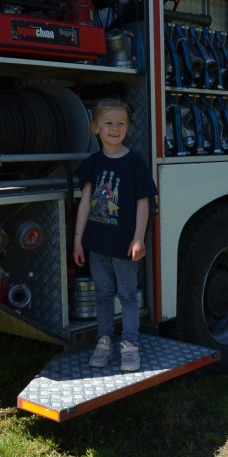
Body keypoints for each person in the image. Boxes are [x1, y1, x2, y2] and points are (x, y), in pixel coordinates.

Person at [73, 99, 158, 371]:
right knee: (103, 294)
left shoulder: (135, 163)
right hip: (97, 246)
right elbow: (85, 204)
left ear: (128, 128)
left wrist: (138, 238)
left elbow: (143, 202)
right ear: (95, 128)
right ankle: (104, 342)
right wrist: (78, 241)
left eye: (121, 123)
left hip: (124, 247)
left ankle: (130, 345)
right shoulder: (92, 164)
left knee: (128, 296)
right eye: (108, 123)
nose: (115, 128)